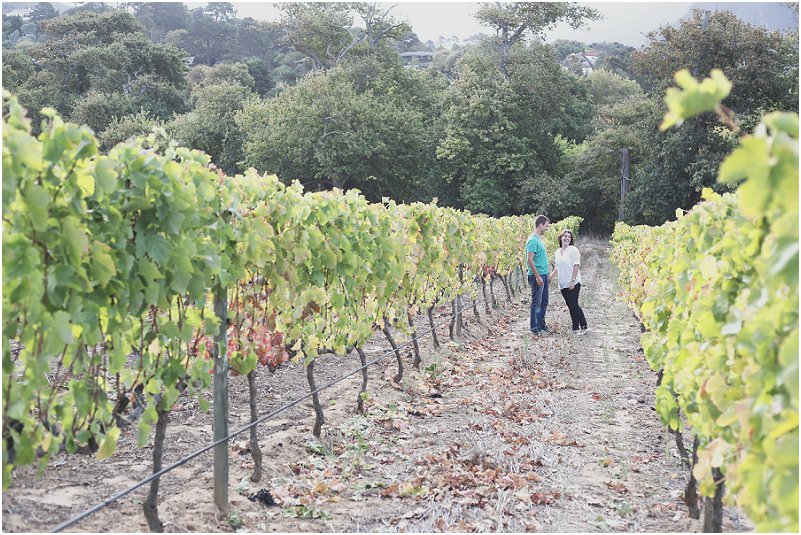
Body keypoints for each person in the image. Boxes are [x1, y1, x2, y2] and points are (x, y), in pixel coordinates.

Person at [551, 229, 588, 334]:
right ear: (561, 238)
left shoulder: (573, 250)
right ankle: (575, 328)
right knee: (570, 306)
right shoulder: (557, 252)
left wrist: (572, 281)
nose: (567, 238)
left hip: (573, 283)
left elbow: (576, 265)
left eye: (569, 237)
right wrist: (550, 277)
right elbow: (557, 268)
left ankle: (584, 326)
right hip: (562, 284)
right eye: (565, 236)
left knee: (574, 304)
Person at [525, 215, 552, 335]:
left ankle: (541, 325)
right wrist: (537, 276)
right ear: (540, 225)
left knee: (544, 301)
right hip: (537, 276)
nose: (547, 228)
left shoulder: (538, 239)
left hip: (543, 275)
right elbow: (529, 259)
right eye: (546, 226)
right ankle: (535, 329)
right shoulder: (532, 240)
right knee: (537, 302)